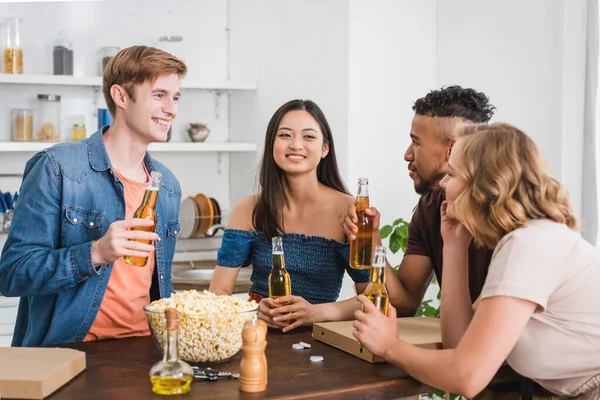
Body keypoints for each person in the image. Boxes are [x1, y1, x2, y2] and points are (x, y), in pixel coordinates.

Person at [353, 122, 600, 399]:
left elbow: (467, 377)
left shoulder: (530, 244)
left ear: (485, 185)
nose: (444, 184)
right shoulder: (522, 240)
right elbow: (459, 343)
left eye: (452, 174)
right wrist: (454, 248)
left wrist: (390, 347)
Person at [0, 46, 186, 346]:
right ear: (121, 96)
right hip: (69, 355)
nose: (172, 109)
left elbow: (155, 287)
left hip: (147, 351)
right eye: (159, 95)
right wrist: (96, 253)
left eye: (175, 97)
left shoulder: (167, 187)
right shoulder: (57, 169)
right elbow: (12, 275)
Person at [209, 99, 370, 332]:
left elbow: (371, 297)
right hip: (257, 336)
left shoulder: (348, 211)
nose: (296, 144)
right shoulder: (248, 209)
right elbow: (218, 292)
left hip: (322, 340)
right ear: (272, 143)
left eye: (308, 136)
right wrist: (251, 312)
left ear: (325, 148)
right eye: (285, 135)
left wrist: (317, 312)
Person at [340, 86, 497, 318]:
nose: (407, 154)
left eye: (416, 142)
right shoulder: (431, 205)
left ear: (452, 148)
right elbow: (404, 303)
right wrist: (372, 237)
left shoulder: (507, 214)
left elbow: (478, 339)